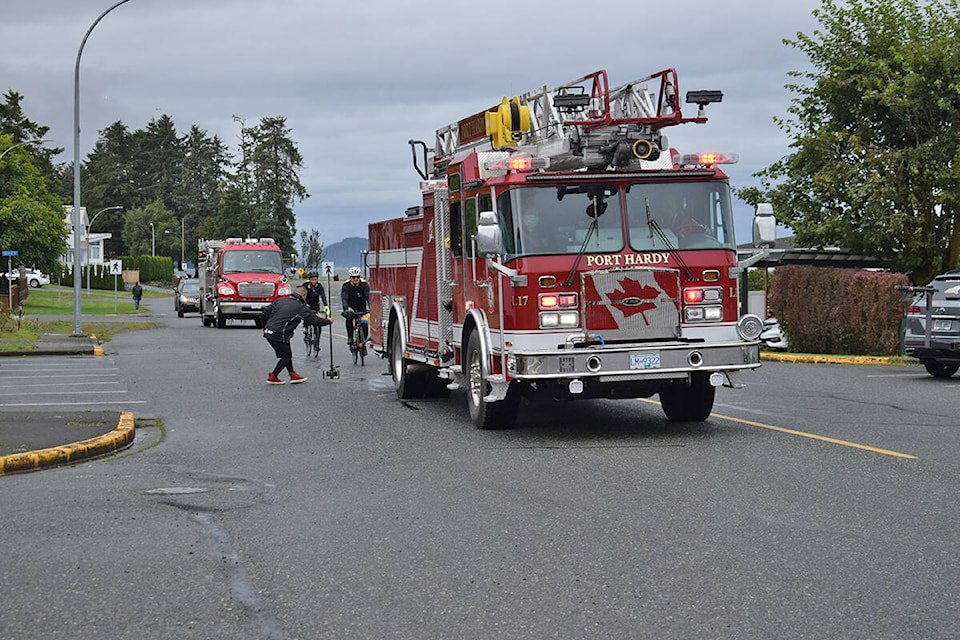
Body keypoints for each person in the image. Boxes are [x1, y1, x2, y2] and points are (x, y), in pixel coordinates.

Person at [260, 285, 332, 385]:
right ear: (304, 295)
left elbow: (265, 312)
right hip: (280, 333)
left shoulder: (280, 300)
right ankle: (273, 376)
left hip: (269, 331)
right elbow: (314, 321)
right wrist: (327, 321)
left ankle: (293, 375)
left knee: (287, 354)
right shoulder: (300, 307)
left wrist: (263, 326)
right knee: (286, 357)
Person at [340, 266, 370, 347]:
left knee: (364, 324)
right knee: (349, 318)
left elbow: (368, 297)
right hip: (351, 307)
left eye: (357, 277)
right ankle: (350, 337)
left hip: (361, 307)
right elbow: (344, 298)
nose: (356, 279)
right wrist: (346, 309)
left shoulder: (364, 285)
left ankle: (363, 341)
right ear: (350, 278)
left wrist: (371, 308)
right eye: (354, 277)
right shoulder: (346, 286)